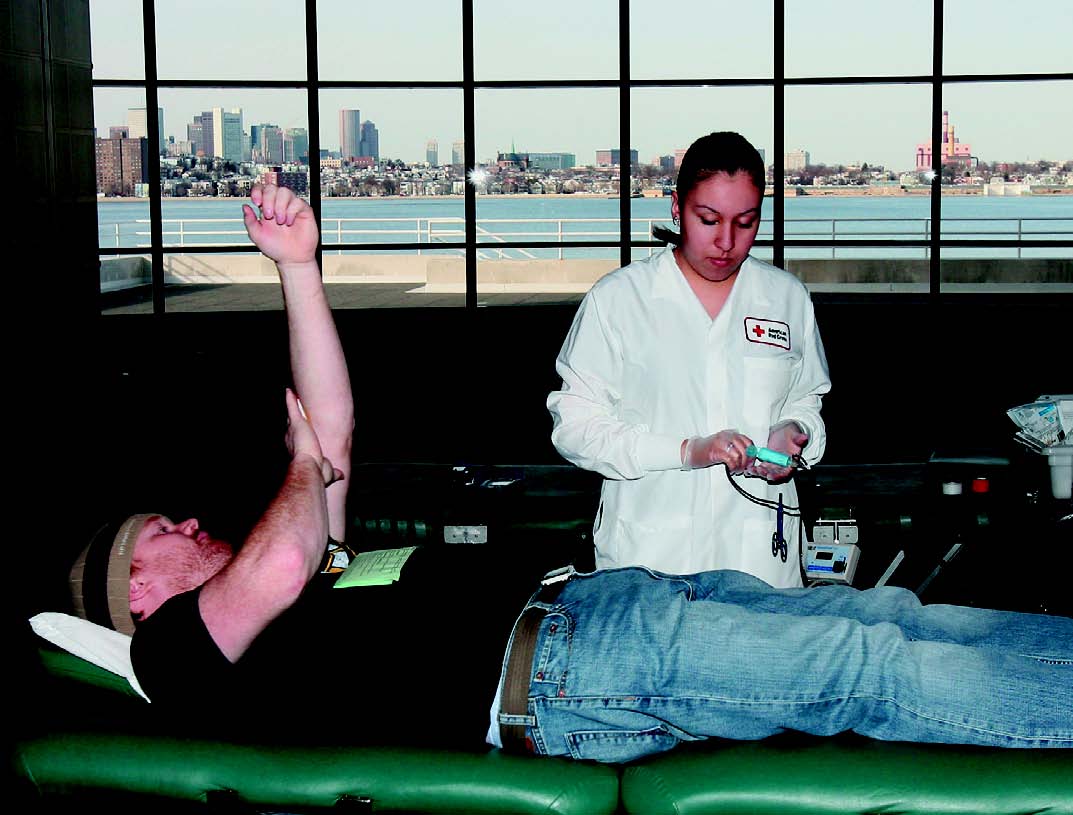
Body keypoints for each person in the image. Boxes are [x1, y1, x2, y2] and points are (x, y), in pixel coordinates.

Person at [66, 185, 1072, 765]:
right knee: (865, 668)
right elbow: (284, 547)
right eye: (161, 530)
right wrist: (298, 466)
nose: (187, 520)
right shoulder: (178, 654)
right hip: (564, 666)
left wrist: (297, 268)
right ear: (136, 592)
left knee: (883, 617)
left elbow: (330, 429)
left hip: (600, 603)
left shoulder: (306, 577)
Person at [546, 131, 831, 586]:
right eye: (708, 219)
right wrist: (685, 452)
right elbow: (576, 429)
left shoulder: (786, 298)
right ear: (677, 207)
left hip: (761, 556)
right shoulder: (619, 300)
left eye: (745, 222)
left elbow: (807, 399)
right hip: (651, 557)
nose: (726, 241)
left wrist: (793, 431)